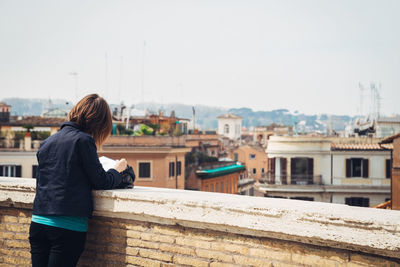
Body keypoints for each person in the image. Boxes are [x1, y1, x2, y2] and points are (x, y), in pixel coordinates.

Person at [29, 94, 127, 267]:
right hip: (67, 227)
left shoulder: (47, 142)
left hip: (38, 223)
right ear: (99, 123)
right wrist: (117, 170)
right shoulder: (84, 141)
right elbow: (101, 181)